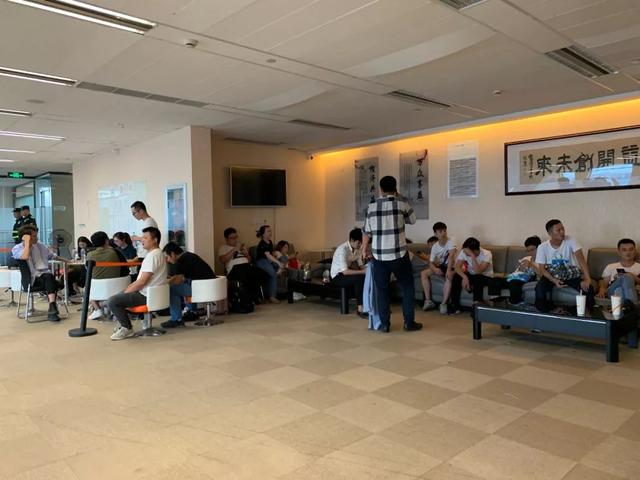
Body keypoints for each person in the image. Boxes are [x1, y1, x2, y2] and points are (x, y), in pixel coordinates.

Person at [362, 175, 421, 332]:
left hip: (379, 256)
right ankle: (409, 322)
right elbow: (413, 219)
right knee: (407, 287)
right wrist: (400, 197)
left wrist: (364, 248)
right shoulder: (401, 203)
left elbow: (367, 231)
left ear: (381, 189)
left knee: (382, 290)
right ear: (395, 188)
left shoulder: (371, 207)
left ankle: (385, 324)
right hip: (399, 255)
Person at [107, 227, 167, 340]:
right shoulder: (158, 253)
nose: (142, 240)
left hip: (146, 295)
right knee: (119, 295)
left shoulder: (153, 256)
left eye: (145, 238)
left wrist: (126, 292)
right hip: (152, 294)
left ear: (155, 240)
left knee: (113, 301)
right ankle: (124, 325)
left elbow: (142, 282)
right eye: (142, 237)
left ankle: (126, 328)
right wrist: (126, 290)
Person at [535, 219, 595, 313]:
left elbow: (581, 260)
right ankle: (551, 310)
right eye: (558, 230)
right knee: (539, 288)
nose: (562, 232)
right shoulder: (542, 247)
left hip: (570, 274)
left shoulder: (570, 240)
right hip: (552, 275)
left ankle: (576, 312)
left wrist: (587, 278)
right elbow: (542, 270)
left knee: (589, 288)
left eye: (563, 229)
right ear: (550, 233)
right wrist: (554, 280)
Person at [12, 225, 67, 321]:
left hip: (45, 277)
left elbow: (52, 256)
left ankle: (52, 308)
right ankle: (52, 309)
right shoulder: (17, 248)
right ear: (26, 237)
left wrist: (68, 261)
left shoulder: (40, 245)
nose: (37, 238)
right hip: (31, 280)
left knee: (49, 277)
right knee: (52, 280)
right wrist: (27, 243)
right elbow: (25, 256)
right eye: (34, 236)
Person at [161, 242, 216, 328]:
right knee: (186, 283)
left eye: (167, 257)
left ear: (172, 254)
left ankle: (176, 319)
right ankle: (192, 312)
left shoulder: (181, 261)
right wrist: (172, 278)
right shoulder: (189, 256)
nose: (167, 260)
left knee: (172, 289)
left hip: (202, 288)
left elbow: (177, 280)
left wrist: (163, 282)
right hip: (212, 286)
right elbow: (183, 277)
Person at [85, 231, 126, 320]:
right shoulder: (115, 252)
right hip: (118, 286)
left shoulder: (90, 255)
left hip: (97, 289)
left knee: (87, 287)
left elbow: (88, 270)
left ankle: (97, 309)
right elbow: (125, 267)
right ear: (107, 241)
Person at [218, 227, 264, 303]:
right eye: (232, 238)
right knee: (245, 272)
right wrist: (235, 249)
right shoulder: (223, 248)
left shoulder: (242, 248)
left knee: (260, 272)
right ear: (226, 239)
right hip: (234, 270)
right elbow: (223, 260)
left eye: (236, 237)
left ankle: (255, 297)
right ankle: (249, 298)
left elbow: (249, 260)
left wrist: (246, 254)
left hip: (246, 267)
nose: (235, 240)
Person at [450, 237, 494, 313]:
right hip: (472, 275)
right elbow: (457, 267)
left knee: (478, 277)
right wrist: (464, 277)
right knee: (456, 276)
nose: (464, 252)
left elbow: (478, 271)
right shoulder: (464, 251)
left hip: (486, 277)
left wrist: (472, 256)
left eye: (466, 251)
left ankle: (476, 305)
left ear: (474, 251)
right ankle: (455, 306)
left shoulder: (487, 254)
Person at [331, 228, 367, 317]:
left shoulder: (357, 249)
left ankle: (370, 304)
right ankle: (360, 308)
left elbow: (361, 265)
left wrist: (367, 270)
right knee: (359, 278)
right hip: (337, 276)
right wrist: (363, 272)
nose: (360, 245)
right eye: (358, 243)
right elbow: (345, 272)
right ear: (352, 240)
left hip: (346, 271)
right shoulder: (342, 249)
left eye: (361, 243)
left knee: (368, 277)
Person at [597, 238, 640, 305]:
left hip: (631, 292)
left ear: (635, 251)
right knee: (624, 280)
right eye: (624, 250)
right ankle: (634, 306)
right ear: (619, 252)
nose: (628, 252)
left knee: (621, 290)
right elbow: (604, 282)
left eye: (631, 249)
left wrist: (632, 276)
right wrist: (602, 289)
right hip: (613, 291)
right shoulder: (611, 266)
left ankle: (626, 308)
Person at [427, 222, 457, 314]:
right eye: (440, 231)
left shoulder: (451, 240)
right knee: (424, 273)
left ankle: (443, 303)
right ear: (435, 234)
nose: (443, 233)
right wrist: (434, 269)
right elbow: (431, 262)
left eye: (444, 231)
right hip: (442, 266)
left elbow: (451, 256)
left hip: (453, 266)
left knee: (449, 277)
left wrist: (448, 270)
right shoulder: (435, 246)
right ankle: (428, 301)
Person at [505, 236, 541, 305]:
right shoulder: (526, 258)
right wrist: (520, 268)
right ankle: (494, 304)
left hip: (530, 278)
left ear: (539, 248)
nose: (530, 253)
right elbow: (517, 273)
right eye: (528, 251)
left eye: (532, 250)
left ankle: (516, 303)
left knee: (514, 283)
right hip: (518, 277)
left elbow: (542, 275)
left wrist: (531, 265)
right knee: (495, 281)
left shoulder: (542, 261)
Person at [254, 225, 283, 304]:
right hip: (261, 262)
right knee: (273, 273)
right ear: (263, 234)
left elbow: (271, 254)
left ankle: (278, 271)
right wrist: (278, 263)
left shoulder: (270, 242)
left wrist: (276, 258)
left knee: (280, 264)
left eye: (270, 231)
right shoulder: (262, 243)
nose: (270, 232)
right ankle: (272, 297)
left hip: (268, 261)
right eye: (268, 231)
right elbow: (268, 255)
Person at [417, 235, 438, 310]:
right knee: (423, 274)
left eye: (432, 244)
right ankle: (427, 300)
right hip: (431, 268)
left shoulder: (441, 250)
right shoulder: (431, 254)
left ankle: (427, 300)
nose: (431, 247)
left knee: (424, 273)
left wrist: (426, 257)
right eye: (429, 245)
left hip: (440, 268)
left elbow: (437, 261)